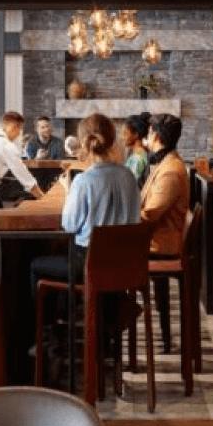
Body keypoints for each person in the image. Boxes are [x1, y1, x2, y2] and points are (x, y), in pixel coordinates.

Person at [32, 113, 140, 364]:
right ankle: (105, 333)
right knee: (67, 263)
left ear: (83, 142)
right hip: (124, 265)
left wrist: (70, 193)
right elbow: (135, 220)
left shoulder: (84, 180)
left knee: (37, 266)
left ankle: (50, 336)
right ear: (112, 139)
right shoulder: (129, 178)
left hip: (88, 263)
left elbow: (69, 225)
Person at [140, 114, 189, 257]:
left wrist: (122, 218)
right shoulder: (167, 162)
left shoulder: (171, 170)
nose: (146, 139)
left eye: (148, 133)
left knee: (108, 247)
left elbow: (150, 214)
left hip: (159, 243)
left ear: (155, 137)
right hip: (155, 237)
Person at [121, 114, 150, 189]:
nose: (122, 137)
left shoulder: (139, 159)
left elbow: (128, 186)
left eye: (125, 133)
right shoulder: (134, 154)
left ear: (136, 135)